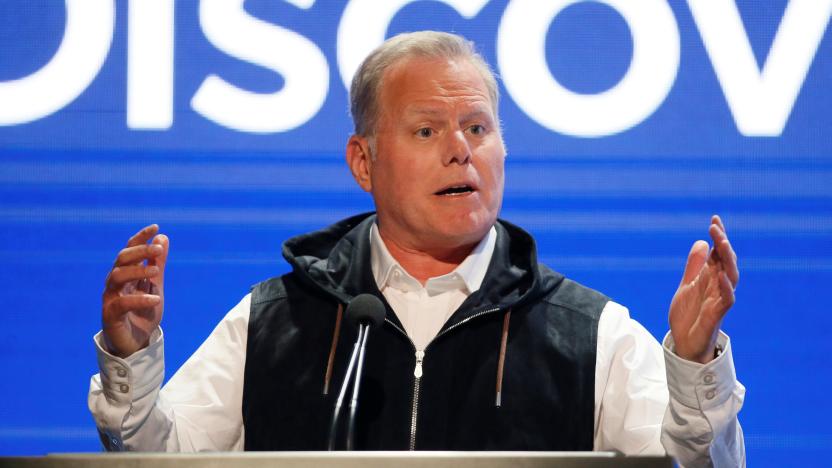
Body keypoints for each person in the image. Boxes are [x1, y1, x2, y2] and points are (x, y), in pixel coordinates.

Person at [89, 31, 744, 466]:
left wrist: (691, 364)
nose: (461, 149)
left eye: (478, 127)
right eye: (427, 129)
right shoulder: (275, 322)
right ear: (363, 162)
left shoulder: (587, 333)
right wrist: (130, 356)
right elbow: (155, 458)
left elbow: (695, 463)